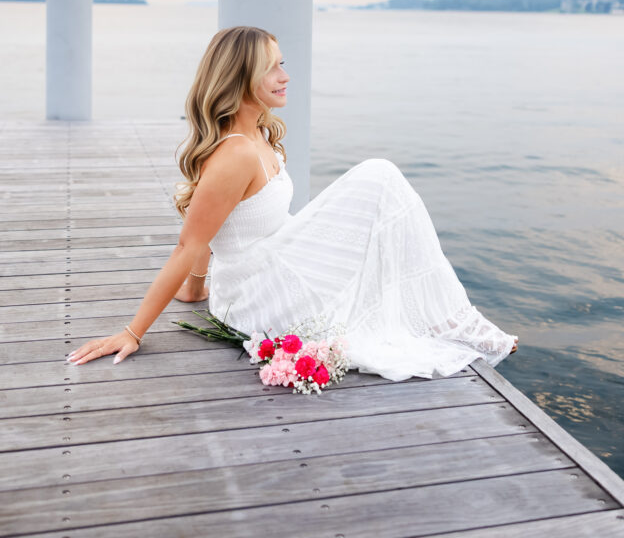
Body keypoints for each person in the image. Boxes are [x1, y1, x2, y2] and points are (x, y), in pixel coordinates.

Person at [67, 26, 518, 379]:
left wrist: (199, 288)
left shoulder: (260, 134)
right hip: (256, 295)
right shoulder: (235, 154)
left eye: (282, 63)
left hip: (270, 266)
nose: (285, 76)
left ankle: (446, 318)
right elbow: (191, 242)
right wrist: (132, 332)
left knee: (378, 194)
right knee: (379, 176)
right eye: (271, 68)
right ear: (239, 78)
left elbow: (220, 229)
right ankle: (451, 321)